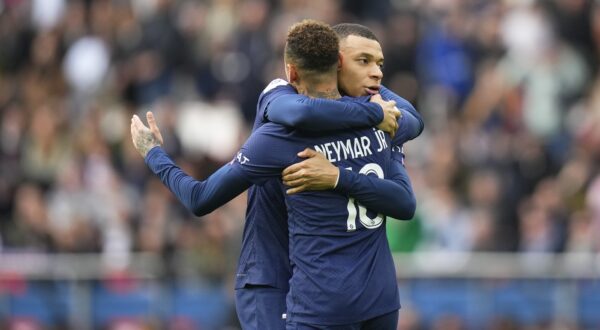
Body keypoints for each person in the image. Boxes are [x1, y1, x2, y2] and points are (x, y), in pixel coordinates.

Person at [131, 20, 416, 329]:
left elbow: (200, 198)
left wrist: (153, 153)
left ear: (291, 72)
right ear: (339, 65)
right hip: (367, 296)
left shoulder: (281, 132)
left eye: (378, 64)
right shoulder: (380, 122)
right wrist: (375, 114)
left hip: (312, 293)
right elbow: (406, 183)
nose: (376, 73)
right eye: (366, 62)